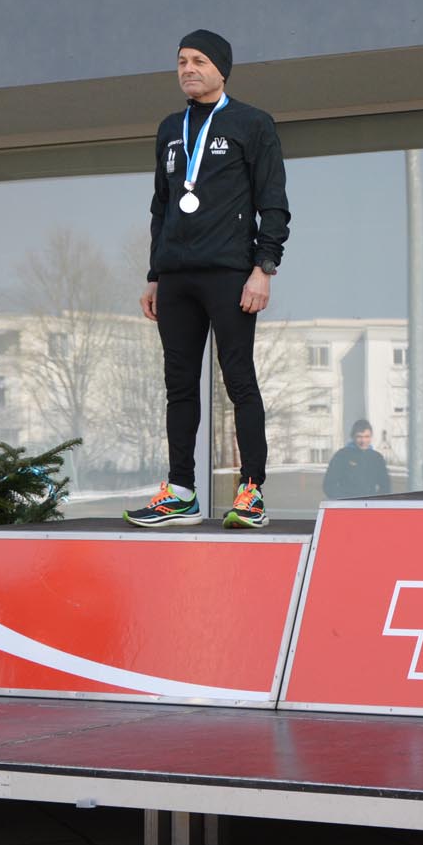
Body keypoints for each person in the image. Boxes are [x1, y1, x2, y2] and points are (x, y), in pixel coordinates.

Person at [129, 29, 290, 529]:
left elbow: (273, 203)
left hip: (230, 274)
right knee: (178, 384)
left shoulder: (252, 123)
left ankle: (251, 491)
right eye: (182, 61)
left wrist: (263, 269)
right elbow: (161, 206)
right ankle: (181, 492)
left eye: (199, 60)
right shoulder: (169, 128)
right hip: (176, 277)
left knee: (239, 379)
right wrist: (155, 274)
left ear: (221, 69)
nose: (188, 69)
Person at [324, 418, 391, 500]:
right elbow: (329, 485)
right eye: (359, 437)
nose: (363, 441)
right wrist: (344, 501)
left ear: (371, 437)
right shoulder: (341, 456)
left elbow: (385, 487)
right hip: (347, 505)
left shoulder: (377, 458)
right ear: (353, 437)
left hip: (369, 505)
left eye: (367, 437)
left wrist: (375, 501)